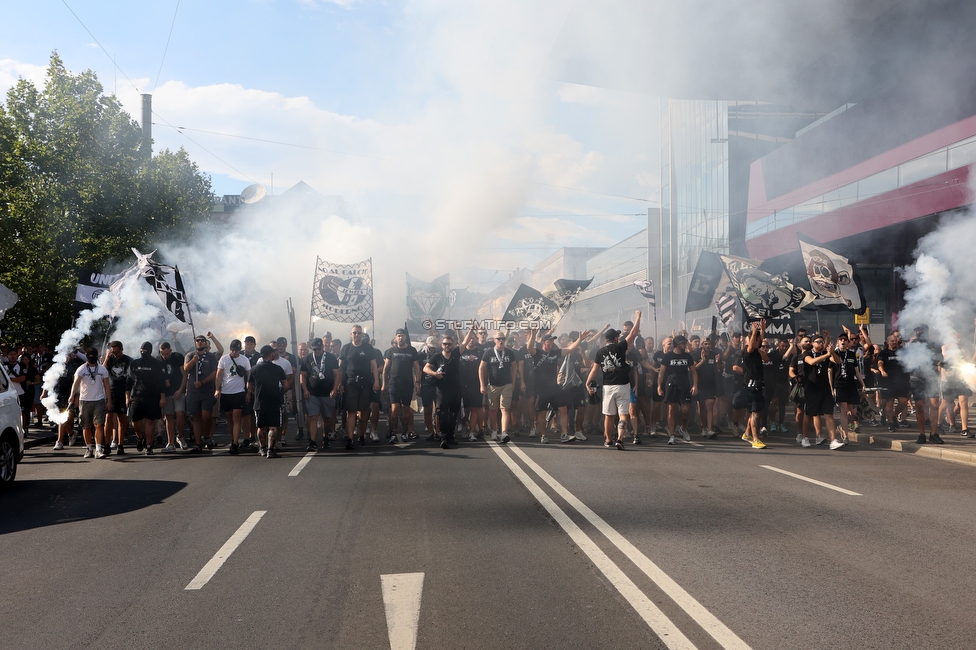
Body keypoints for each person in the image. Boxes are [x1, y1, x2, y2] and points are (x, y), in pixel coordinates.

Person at [586, 311, 643, 450]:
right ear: (616, 338)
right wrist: (638, 317)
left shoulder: (600, 352)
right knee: (623, 415)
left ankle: (608, 440)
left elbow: (594, 370)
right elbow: (634, 332)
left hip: (608, 386)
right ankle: (620, 439)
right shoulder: (620, 346)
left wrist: (587, 382)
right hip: (623, 385)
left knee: (609, 415)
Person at [527, 329, 587, 443]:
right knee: (542, 412)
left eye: (552, 341)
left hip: (554, 387)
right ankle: (544, 435)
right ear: (544, 343)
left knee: (563, 408)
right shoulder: (537, 353)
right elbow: (529, 348)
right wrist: (533, 336)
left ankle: (564, 434)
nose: (552, 343)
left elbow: (570, 349)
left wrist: (580, 339)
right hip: (541, 388)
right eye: (549, 341)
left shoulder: (555, 353)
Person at [801, 332, 846, 450]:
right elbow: (812, 362)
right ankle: (805, 437)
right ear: (812, 343)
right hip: (811, 388)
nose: (821, 344)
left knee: (829, 414)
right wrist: (827, 355)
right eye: (818, 342)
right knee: (809, 414)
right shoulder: (807, 353)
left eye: (822, 342)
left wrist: (831, 353)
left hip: (825, 388)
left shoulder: (826, 353)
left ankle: (833, 440)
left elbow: (838, 361)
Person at [338, 324, 380, 450]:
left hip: (365, 383)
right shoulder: (346, 348)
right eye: (354, 333)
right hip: (350, 383)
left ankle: (362, 435)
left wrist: (376, 381)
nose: (357, 335)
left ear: (362, 334)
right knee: (351, 411)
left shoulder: (368, 347)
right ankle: (350, 438)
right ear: (351, 334)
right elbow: (341, 368)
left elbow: (374, 365)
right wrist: (340, 383)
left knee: (363, 411)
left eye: (359, 333)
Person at [69, 347, 112, 459]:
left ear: (97, 356)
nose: (92, 357)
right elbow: (76, 383)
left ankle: (98, 449)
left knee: (99, 424)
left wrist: (109, 400)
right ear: (87, 356)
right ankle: (89, 448)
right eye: (90, 355)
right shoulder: (81, 369)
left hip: (99, 400)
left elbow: (107, 386)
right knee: (86, 427)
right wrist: (72, 396)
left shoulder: (102, 369)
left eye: (94, 355)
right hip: (85, 400)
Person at [731, 322, 768, 449]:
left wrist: (762, 330)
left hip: (759, 384)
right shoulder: (747, 352)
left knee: (758, 410)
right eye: (757, 338)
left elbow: (766, 357)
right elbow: (752, 345)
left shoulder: (758, 352)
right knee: (754, 412)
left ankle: (747, 433)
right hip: (751, 385)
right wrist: (753, 331)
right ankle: (755, 439)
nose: (760, 341)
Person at [126, 342, 166, 456]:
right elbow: (129, 381)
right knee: (135, 422)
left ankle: (149, 445)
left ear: (150, 351)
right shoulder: (134, 363)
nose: (143, 352)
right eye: (141, 350)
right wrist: (127, 397)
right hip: (136, 396)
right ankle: (139, 438)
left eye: (145, 351)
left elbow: (161, 382)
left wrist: (162, 398)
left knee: (150, 421)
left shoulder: (157, 364)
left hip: (152, 397)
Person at [479, 329, 519, 443]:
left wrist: (513, 383)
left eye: (503, 339)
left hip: (506, 385)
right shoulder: (488, 352)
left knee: (505, 409)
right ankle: (494, 431)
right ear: (494, 340)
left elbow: (514, 368)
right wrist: (482, 384)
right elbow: (481, 368)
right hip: (492, 385)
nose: (501, 341)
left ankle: (504, 433)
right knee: (493, 410)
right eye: (498, 339)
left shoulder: (509, 352)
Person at [423, 333, 462, 449]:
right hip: (442, 389)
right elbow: (425, 368)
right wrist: (435, 374)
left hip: (455, 389)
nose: (447, 346)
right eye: (445, 344)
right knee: (442, 413)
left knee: (454, 413)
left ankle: (451, 436)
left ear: (453, 345)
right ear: (442, 345)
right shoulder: (436, 356)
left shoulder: (456, 354)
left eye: (449, 344)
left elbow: (464, 343)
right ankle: (443, 436)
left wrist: (469, 329)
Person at [300, 337, 340, 451]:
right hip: (312, 393)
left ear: (322, 347)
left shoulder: (331, 358)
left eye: (318, 349)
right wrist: (305, 389)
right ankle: (312, 441)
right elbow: (302, 375)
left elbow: (337, 374)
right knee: (313, 417)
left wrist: (335, 388)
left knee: (327, 418)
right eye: (314, 349)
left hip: (327, 393)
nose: (316, 351)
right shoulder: (307, 358)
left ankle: (325, 436)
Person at [658, 333, 698, 445]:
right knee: (671, 410)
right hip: (671, 385)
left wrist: (695, 385)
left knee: (686, 409)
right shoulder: (667, 356)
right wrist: (659, 386)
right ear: (677, 344)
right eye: (683, 343)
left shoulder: (687, 356)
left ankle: (683, 428)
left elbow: (694, 372)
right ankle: (672, 435)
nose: (685, 345)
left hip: (685, 385)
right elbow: (661, 373)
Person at [248, 345, 287, 458]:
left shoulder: (255, 368)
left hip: (260, 401)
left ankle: (263, 449)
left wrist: (256, 393)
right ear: (270, 355)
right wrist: (280, 392)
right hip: (274, 401)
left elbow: (249, 385)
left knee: (261, 426)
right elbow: (284, 383)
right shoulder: (277, 368)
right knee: (273, 427)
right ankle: (271, 450)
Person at [382, 329, 421, 444]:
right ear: (395, 338)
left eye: (402, 336)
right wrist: (384, 384)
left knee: (406, 409)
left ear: (405, 337)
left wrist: (417, 382)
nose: (400, 338)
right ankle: (393, 433)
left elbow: (416, 368)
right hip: (394, 383)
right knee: (394, 409)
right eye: (398, 336)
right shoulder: (391, 351)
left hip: (407, 384)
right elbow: (385, 369)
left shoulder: (412, 350)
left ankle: (404, 433)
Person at [183, 333, 219, 452]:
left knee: (206, 415)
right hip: (193, 391)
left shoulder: (211, 357)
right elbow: (186, 369)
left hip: (207, 390)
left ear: (205, 343)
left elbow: (214, 373)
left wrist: (202, 383)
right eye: (197, 340)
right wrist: (193, 361)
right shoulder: (190, 355)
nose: (200, 342)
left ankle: (207, 437)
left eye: (202, 340)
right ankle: (198, 444)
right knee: (196, 417)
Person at [215, 339, 251, 454]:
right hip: (226, 392)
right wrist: (217, 389)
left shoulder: (244, 360)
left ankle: (235, 443)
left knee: (236, 417)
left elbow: (248, 377)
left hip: (239, 392)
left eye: (236, 350)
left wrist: (248, 392)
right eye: (232, 350)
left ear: (240, 350)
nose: (234, 352)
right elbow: (219, 374)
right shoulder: (224, 359)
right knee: (229, 418)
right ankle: (232, 438)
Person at [48, 350, 84, 450]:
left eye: (68, 355)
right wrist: (43, 393)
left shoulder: (74, 366)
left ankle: (59, 441)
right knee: (59, 417)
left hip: (67, 395)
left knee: (61, 417)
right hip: (56, 394)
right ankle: (72, 433)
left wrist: (76, 396)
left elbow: (76, 383)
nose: (66, 357)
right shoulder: (56, 366)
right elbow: (49, 379)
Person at [157, 341, 187, 452]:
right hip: (166, 393)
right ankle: (170, 443)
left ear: (170, 350)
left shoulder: (178, 357)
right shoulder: (158, 360)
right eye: (162, 354)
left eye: (166, 354)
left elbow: (184, 375)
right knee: (168, 417)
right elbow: (157, 377)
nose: (164, 356)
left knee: (180, 414)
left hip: (178, 391)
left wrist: (181, 390)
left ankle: (180, 436)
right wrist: (163, 382)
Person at [103, 341, 132, 455]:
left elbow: (131, 377)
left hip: (123, 391)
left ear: (121, 349)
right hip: (111, 392)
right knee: (108, 418)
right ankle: (106, 444)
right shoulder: (110, 359)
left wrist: (128, 395)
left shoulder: (128, 360)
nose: (114, 353)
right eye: (112, 351)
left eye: (116, 351)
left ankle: (120, 445)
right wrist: (106, 358)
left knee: (122, 419)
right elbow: (102, 370)